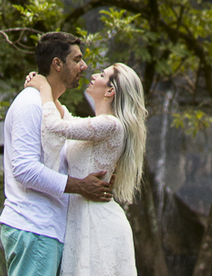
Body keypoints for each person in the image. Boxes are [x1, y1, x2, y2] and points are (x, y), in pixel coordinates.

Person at [0, 32, 115, 276]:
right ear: (57, 63)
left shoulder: (50, 108)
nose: (84, 66)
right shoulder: (30, 104)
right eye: (77, 59)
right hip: (33, 227)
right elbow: (24, 169)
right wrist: (80, 186)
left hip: (47, 229)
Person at [24, 61, 146, 276]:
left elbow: (55, 127)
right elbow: (68, 119)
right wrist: (46, 89)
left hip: (97, 223)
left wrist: (44, 88)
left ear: (110, 90)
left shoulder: (111, 124)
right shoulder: (101, 124)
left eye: (101, 74)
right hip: (83, 219)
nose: (93, 76)